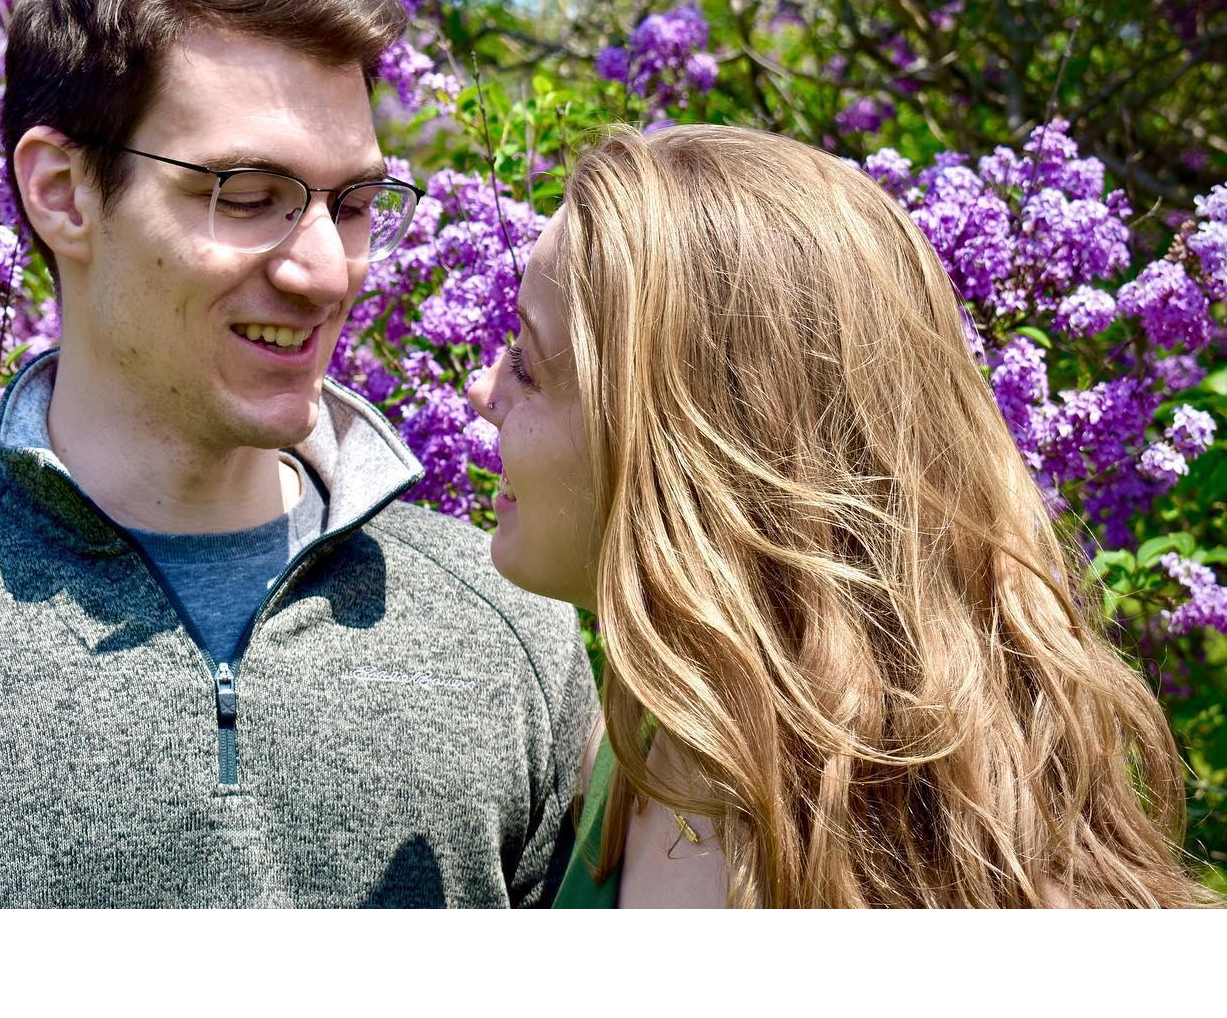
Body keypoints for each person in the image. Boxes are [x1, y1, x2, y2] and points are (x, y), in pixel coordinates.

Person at [0, 0, 595, 909]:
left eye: (355, 205)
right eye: (246, 196)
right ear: (62, 192)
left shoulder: (512, 632)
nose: (327, 272)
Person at [469, 123, 1214, 908]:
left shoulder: (944, 891)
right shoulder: (639, 756)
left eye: (527, 359)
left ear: (689, 448)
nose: (481, 392)